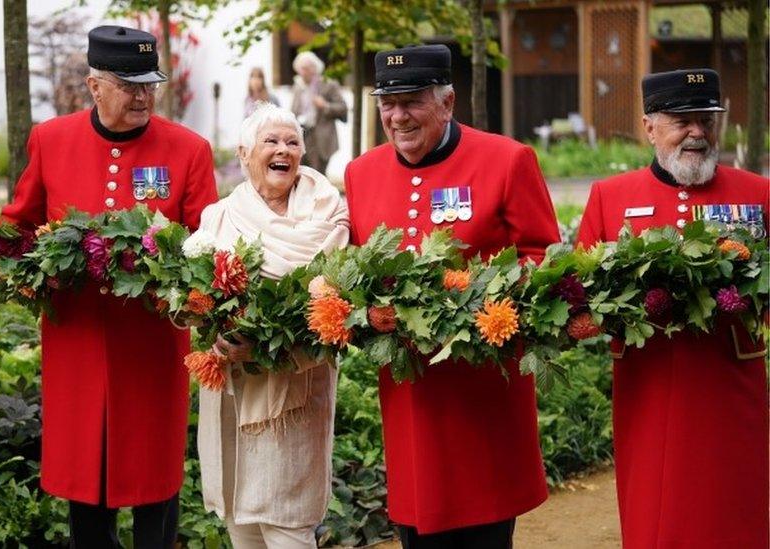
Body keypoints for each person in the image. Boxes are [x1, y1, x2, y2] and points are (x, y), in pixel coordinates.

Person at [1, 25, 218, 549]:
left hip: (151, 346)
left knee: (153, 482)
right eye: (128, 84)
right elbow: (17, 226)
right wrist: (24, 271)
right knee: (85, 485)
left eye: (149, 84)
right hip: (77, 342)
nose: (142, 95)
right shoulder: (51, 140)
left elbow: (209, 244)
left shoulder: (188, 149)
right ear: (94, 85)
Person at [343, 45, 558, 548]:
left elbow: (542, 256)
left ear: (448, 101)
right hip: (409, 395)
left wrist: (486, 302)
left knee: (482, 527)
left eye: (413, 101)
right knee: (416, 524)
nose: (397, 117)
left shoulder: (507, 159)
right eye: (387, 103)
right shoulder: (361, 172)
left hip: (481, 395)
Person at [577, 69, 769, 549]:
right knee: (653, 514)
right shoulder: (610, 197)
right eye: (682, 121)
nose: (698, 133)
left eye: (706, 119)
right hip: (648, 387)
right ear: (649, 127)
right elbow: (580, 290)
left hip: (729, 386)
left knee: (733, 512)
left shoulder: (757, 194)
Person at [196, 102, 349, 548]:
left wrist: (266, 348)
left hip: (294, 399)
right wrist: (217, 334)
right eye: (271, 141)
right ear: (245, 154)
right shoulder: (218, 217)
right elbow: (190, 302)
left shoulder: (329, 219)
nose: (283, 150)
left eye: (292, 141)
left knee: (288, 525)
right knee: (240, 522)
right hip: (231, 391)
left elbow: (336, 312)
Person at [290, 51, 346, 174]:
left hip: (321, 137)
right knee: (301, 174)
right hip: (302, 136)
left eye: (307, 68)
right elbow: (293, 111)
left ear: (315, 69)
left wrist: (325, 105)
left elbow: (343, 108)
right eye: (301, 69)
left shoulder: (328, 85)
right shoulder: (298, 87)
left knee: (317, 175)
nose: (303, 72)